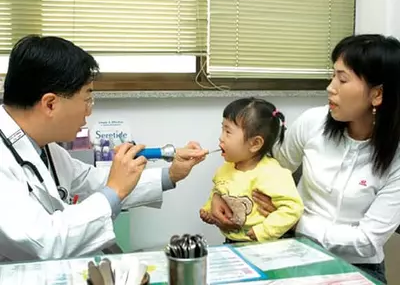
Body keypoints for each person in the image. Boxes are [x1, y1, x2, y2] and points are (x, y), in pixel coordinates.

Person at [209, 34, 400, 284]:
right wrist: (220, 196)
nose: (330, 87)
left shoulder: (395, 156)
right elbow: (270, 169)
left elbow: (366, 242)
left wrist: (295, 220)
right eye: (333, 76)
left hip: (359, 267)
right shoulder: (313, 122)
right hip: (295, 253)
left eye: (342, 79)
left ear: (377, 95)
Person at [0, 35, 208, 262]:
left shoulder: (44, 146)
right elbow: (43, 242)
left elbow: (90, 180)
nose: (89, 112)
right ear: (50, 104)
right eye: (87, 99)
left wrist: (171, 174)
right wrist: (114, 190)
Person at [199, 98, 304, 243]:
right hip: (231, 243)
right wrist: (209, 210)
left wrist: (264, 231)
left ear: (255, 144)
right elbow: (218, 192)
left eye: (228, 132)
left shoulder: (273, 173)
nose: (221, 138)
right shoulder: (225, 169)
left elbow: (292, 208)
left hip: (266, 247)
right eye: (222, 129)